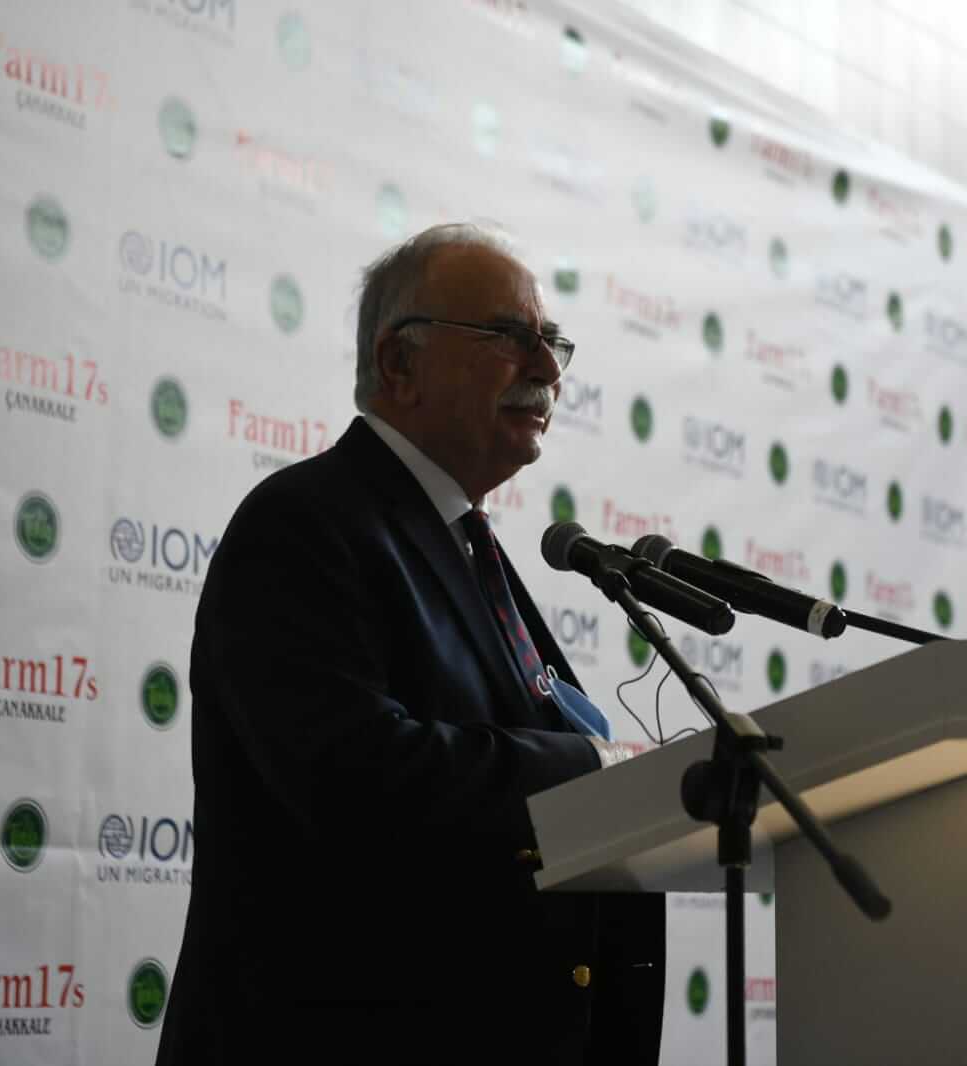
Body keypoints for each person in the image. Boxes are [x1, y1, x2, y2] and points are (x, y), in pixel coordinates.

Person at [154, 224, 665, 1065]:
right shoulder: (305, 522)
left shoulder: (467, 544)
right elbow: (351, 774)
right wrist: (592, 768)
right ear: (399, 363)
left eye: (552, 340)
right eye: (510, 335)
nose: (546, 368)